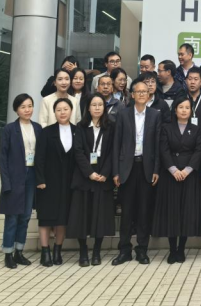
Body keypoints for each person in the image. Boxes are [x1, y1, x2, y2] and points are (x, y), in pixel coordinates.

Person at [111, 81, 162, 266]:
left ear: (149, 95)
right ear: (132, 95)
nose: (141, 94)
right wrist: (116, 171)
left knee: (144, 211)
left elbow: (157, 144)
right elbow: (116, 144)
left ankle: (142, 249)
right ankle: (124, 250)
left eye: (144, 91)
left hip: (146, 168)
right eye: (138, 91)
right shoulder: (123, 114)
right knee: (127, 212)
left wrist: (156, 169)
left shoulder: (155, 115)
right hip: (127, 168)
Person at [153, 97, 201, 264]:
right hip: (171, 175)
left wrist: (187, 170)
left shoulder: (196, 129)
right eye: (180, 107)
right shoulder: (166, 128)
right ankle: (172, 249)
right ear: (175, 110)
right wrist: (174, 170)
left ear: (191, 111)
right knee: (172, 212)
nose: (184, 110)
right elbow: (163, 150)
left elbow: (199, 151)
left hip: (189, 176)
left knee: (186, 212)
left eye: (187, 108)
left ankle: (181, 249)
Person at [66, 94, 116, 267]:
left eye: (100, 104)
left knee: (100, 216)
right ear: (88, 107)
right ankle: (83, 251)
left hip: (103, 174)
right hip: (84, 175)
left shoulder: (111, 126)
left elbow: (113, 151)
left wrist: (105, 173)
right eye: (94, 105)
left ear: (104, 107)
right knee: (82, 215)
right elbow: (78, 151)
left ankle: (96, 251)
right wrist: (89, 173)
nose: (97, 108)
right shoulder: (80, 127)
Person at [1, 94, 42, 269]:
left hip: (31, 175)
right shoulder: (9, 129)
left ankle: (19, 251)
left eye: (30, 106)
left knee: (25, 216)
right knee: (12, 217)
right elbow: (3, 158)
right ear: (16, 109)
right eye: (23, 107)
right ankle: (8, 253)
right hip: (15, 176)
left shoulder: (38, 128)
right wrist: (6, 182)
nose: (27, 110)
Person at [35, 99, 77, 267]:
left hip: (68, 183)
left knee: (62, 218)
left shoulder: (77, 131)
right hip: (48, 182)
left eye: (65, 109)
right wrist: (40, 180)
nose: (62, 112)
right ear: (54, 112)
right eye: (58, 109)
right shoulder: (46, 132)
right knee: (46, 217)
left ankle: (57, 250)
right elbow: (39, 158)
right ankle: (45, 251)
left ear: (71, 111)